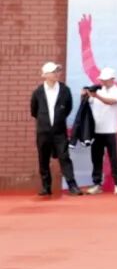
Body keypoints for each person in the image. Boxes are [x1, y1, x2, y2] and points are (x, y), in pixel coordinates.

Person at [30, 62, 82, 196]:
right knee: (43, 158)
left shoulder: (65, 90)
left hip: (59, 132)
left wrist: (59, 118)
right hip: (43, 132)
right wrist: (45, 121)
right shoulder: (38, 92)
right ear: (46, 75)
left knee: (64, 157)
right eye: (54, 72)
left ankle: (72, 185)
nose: (57, 74)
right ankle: (46, 187)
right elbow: (34, 111)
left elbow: (68, 107)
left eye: (57, 71)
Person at [85, 67, 117, 195]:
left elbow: (111, 102)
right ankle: (97, 184)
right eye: (102, 79)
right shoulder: (97, 90)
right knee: (96, 158)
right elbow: (88, 103)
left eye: (106, 79)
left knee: (114, 159)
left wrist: (96, 96)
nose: (103, 81)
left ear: (113, 79)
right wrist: (85, 94)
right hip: (96, 131)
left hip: (111, 130)